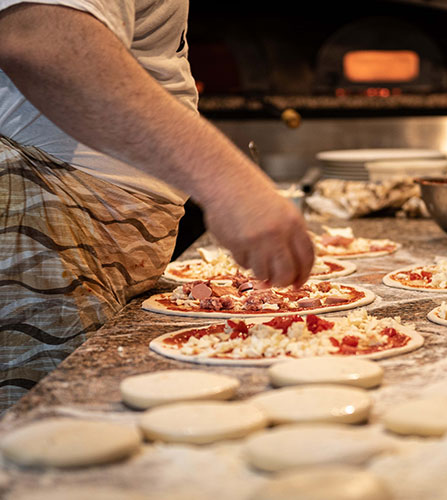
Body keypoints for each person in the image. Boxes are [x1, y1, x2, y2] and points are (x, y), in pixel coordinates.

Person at [0, 1, 315, 411]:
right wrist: (228, 182)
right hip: (36, 218)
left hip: (69, 221)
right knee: (38, 445)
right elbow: (41, 37)